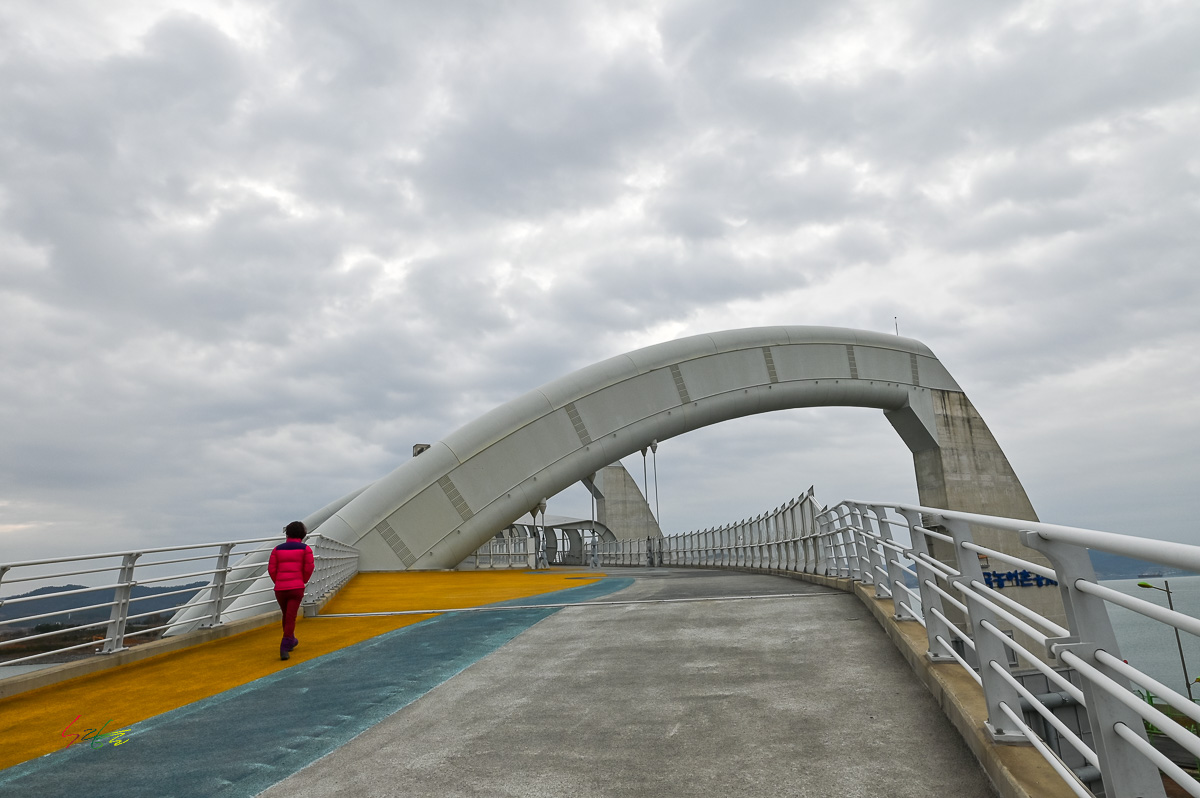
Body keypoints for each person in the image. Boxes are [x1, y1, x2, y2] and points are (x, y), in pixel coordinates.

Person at [268, 521, 314, 661]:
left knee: (286, 615)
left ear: (287, 533)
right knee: (291, 616)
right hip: (296, 587)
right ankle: (285, 644)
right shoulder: (305, 549)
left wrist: (278, 581)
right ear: (302, 534)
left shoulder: (277, 549)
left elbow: (271, 569)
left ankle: (291, 639)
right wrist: (302, 580)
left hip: (280, 589)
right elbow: (309, 567)